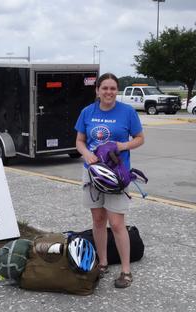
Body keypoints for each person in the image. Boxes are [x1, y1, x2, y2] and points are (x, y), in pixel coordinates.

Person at [75, 72, 144, 288]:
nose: (109, 92)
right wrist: (86, 154)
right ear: (97, 90)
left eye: (113, 88)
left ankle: (125, 271)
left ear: (117, 91)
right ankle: (103, 262)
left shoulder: (127, 112)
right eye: (104, 88)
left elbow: (140, 138)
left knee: (116, 223)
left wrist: (121, 146)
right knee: (98, 219)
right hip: (93, 173)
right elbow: (79, 140)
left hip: (116, 175)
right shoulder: (87, 112)